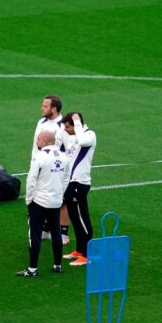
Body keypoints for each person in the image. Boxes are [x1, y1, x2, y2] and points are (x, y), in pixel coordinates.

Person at [16, 130, 70, 277]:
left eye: (38, 139)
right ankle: (57, 265)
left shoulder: (39, 157)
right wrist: (60, 195)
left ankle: (32, 269)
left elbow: (31, 180)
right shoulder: (64, 157)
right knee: (56, 232)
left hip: (39, 202)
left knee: (34, 234)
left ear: (45, 142)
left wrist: (29, 200)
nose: (36, 141)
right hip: (55, 202)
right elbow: (66, 179)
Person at [30, 95, 71, 244]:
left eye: (45, 106)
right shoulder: (41, 122)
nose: (42, 108)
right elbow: (36, 145)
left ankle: (64, 232)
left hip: (56, 167)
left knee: (61, 199)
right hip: (40, 164)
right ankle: (46, 229)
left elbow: (67, 148)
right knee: (42, 196)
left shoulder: (62, 126)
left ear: (54, 109)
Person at [59, 112, 97, 267]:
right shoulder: (74, 137)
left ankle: (87, 255)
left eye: (68, 126)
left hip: (80, 183)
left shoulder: (89, 135)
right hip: (71, 182)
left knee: (82, 218)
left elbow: (82, 140)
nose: (66, 130)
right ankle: (80, 250)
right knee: (74, 217)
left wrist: (77, 122)